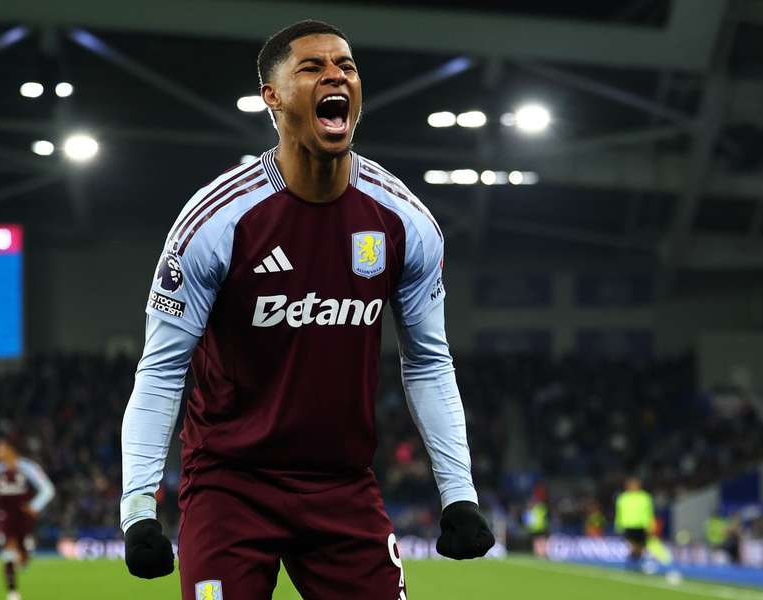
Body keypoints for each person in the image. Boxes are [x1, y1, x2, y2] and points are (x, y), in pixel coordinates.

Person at [120, 19, 494, 599]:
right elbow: (163, 368)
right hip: (230, 484)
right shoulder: (216, 220)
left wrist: (460, 493)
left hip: (342, 485)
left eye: (345, 65)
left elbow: (427, 361)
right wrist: (139, 506)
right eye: (312, 67)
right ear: (272, 97)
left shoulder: (405, 222)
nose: (336, 75)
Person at [0, 436, 55, 600]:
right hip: (5, 516)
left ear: (10, 449)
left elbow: (48, 490)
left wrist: (34, 506)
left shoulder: (28, 468)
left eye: (0, 448)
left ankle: (24, 556)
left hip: (24, 517)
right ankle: (12, 593)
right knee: (8, 549)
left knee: (23, 559)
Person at [614, 477, 654, 569]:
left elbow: (650, 512)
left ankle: (636, 564)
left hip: (642, 525)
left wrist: (651, 525)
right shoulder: (623, 498)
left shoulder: (645, 497)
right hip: (628, 525)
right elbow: (619, 513)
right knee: (633, 546)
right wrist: (618, 525)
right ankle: (632, 564)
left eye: (635, 485)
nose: (633, 487)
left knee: (641, 548)